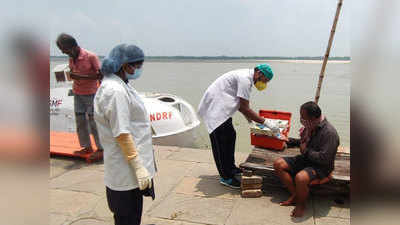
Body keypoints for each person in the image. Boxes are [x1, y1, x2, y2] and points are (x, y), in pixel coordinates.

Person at [93, 44, 156, 225]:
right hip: (125, 170)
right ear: (124, 65)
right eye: (135, 66)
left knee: (132, 216)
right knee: (127, 218)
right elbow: (122, 134)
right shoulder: (115, 91)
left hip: (127, 168)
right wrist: (138, 167)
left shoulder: (121, 85)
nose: (137, 70)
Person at [198, 64, 281, 189]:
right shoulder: (245, 80)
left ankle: (231, 169)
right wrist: (267, 123)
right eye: (264, 81)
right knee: (221, 144)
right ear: (259, 73)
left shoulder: (245, 77)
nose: (263, 84)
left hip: (222, 110)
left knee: (231, 136)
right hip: (215, 111)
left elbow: (242, 106)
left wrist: (251, 122)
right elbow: (244, 107)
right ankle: (226, 177)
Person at [273, 101, 340, 217]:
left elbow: (324, 159)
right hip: (306, 159)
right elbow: (304, 143)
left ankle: (301, 204)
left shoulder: (329, 133)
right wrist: (290, 141)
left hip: (321, 167)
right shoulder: (310, 127)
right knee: (278, 164)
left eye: (303, 117)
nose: (301, 120)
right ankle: (296, 195)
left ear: (313, 118)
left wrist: (306, 151)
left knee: (301, 178)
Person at [56, 33, 103, 160]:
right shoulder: (71, 58)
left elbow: (100, 76)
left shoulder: (91, 56)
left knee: (94, 122)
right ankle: (87, 146)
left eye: (64, 49)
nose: (63, 52)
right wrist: (71, 75)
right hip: (78, 93)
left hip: (92, 93)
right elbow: (73, 72)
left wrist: (80, 77)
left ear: (72, 46)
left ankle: (101, 148)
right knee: (80, 121)